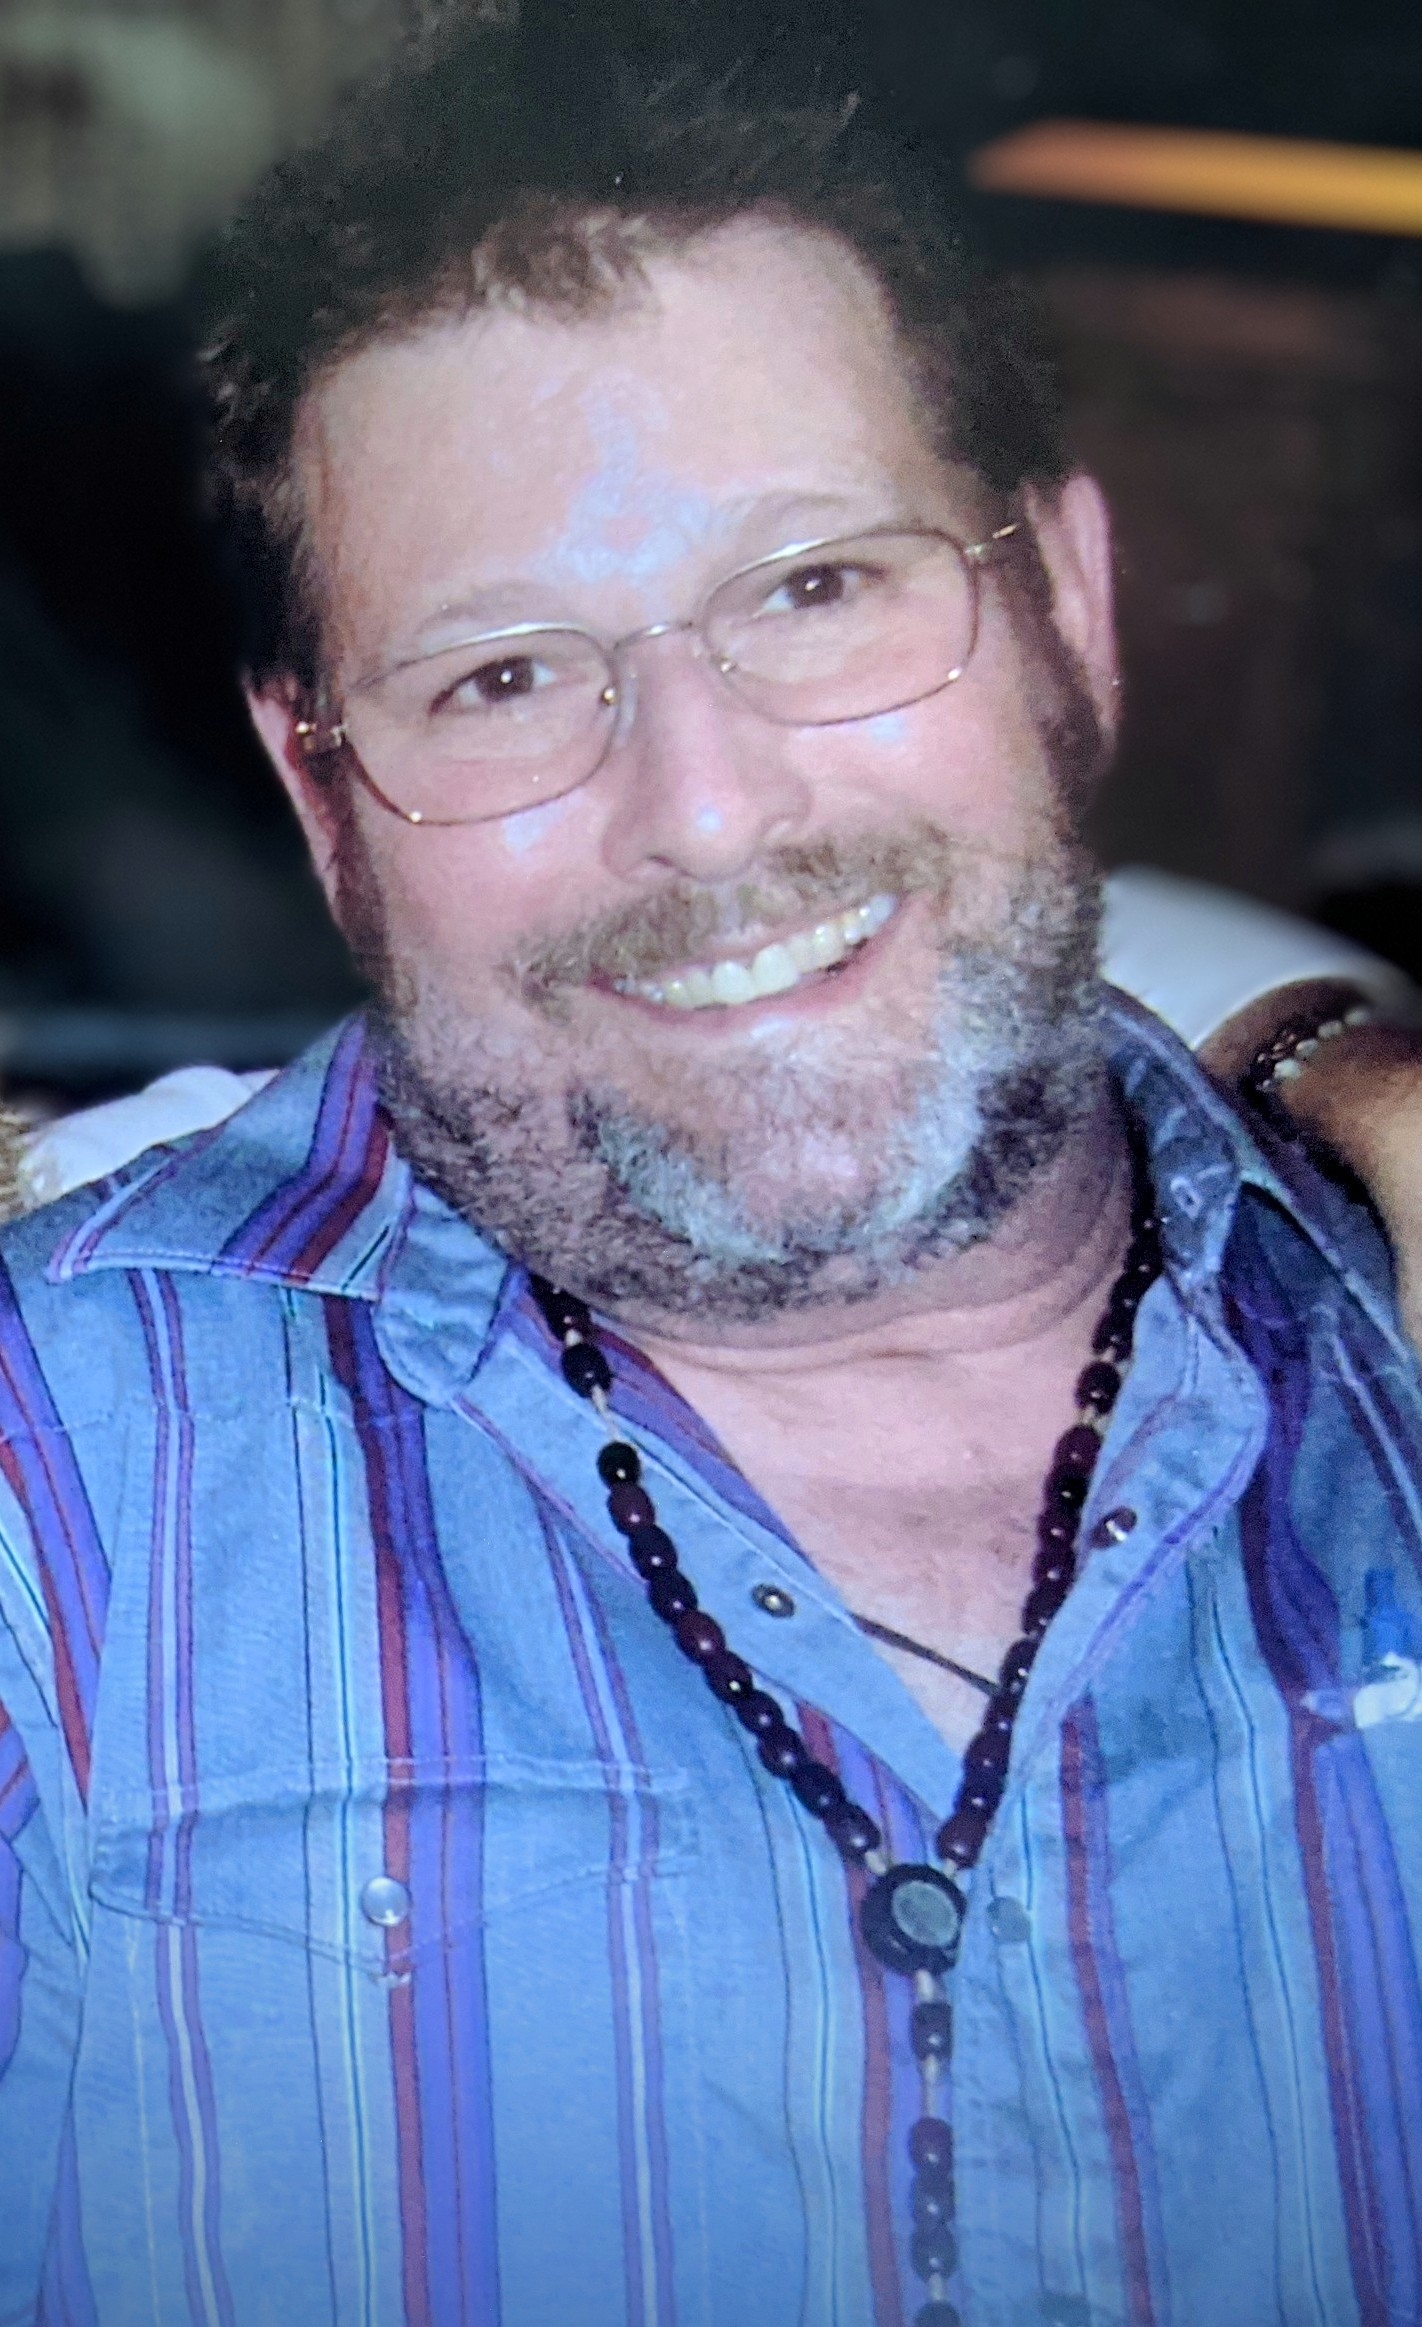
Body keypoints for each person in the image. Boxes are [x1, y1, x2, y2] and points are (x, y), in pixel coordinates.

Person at [1, 26, 1420, 2325]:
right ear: (321, 789)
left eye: (817, 587)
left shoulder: (1387, 1346)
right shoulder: (48, 1486)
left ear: (1067, 605)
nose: (705, 809)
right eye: (500, 678)